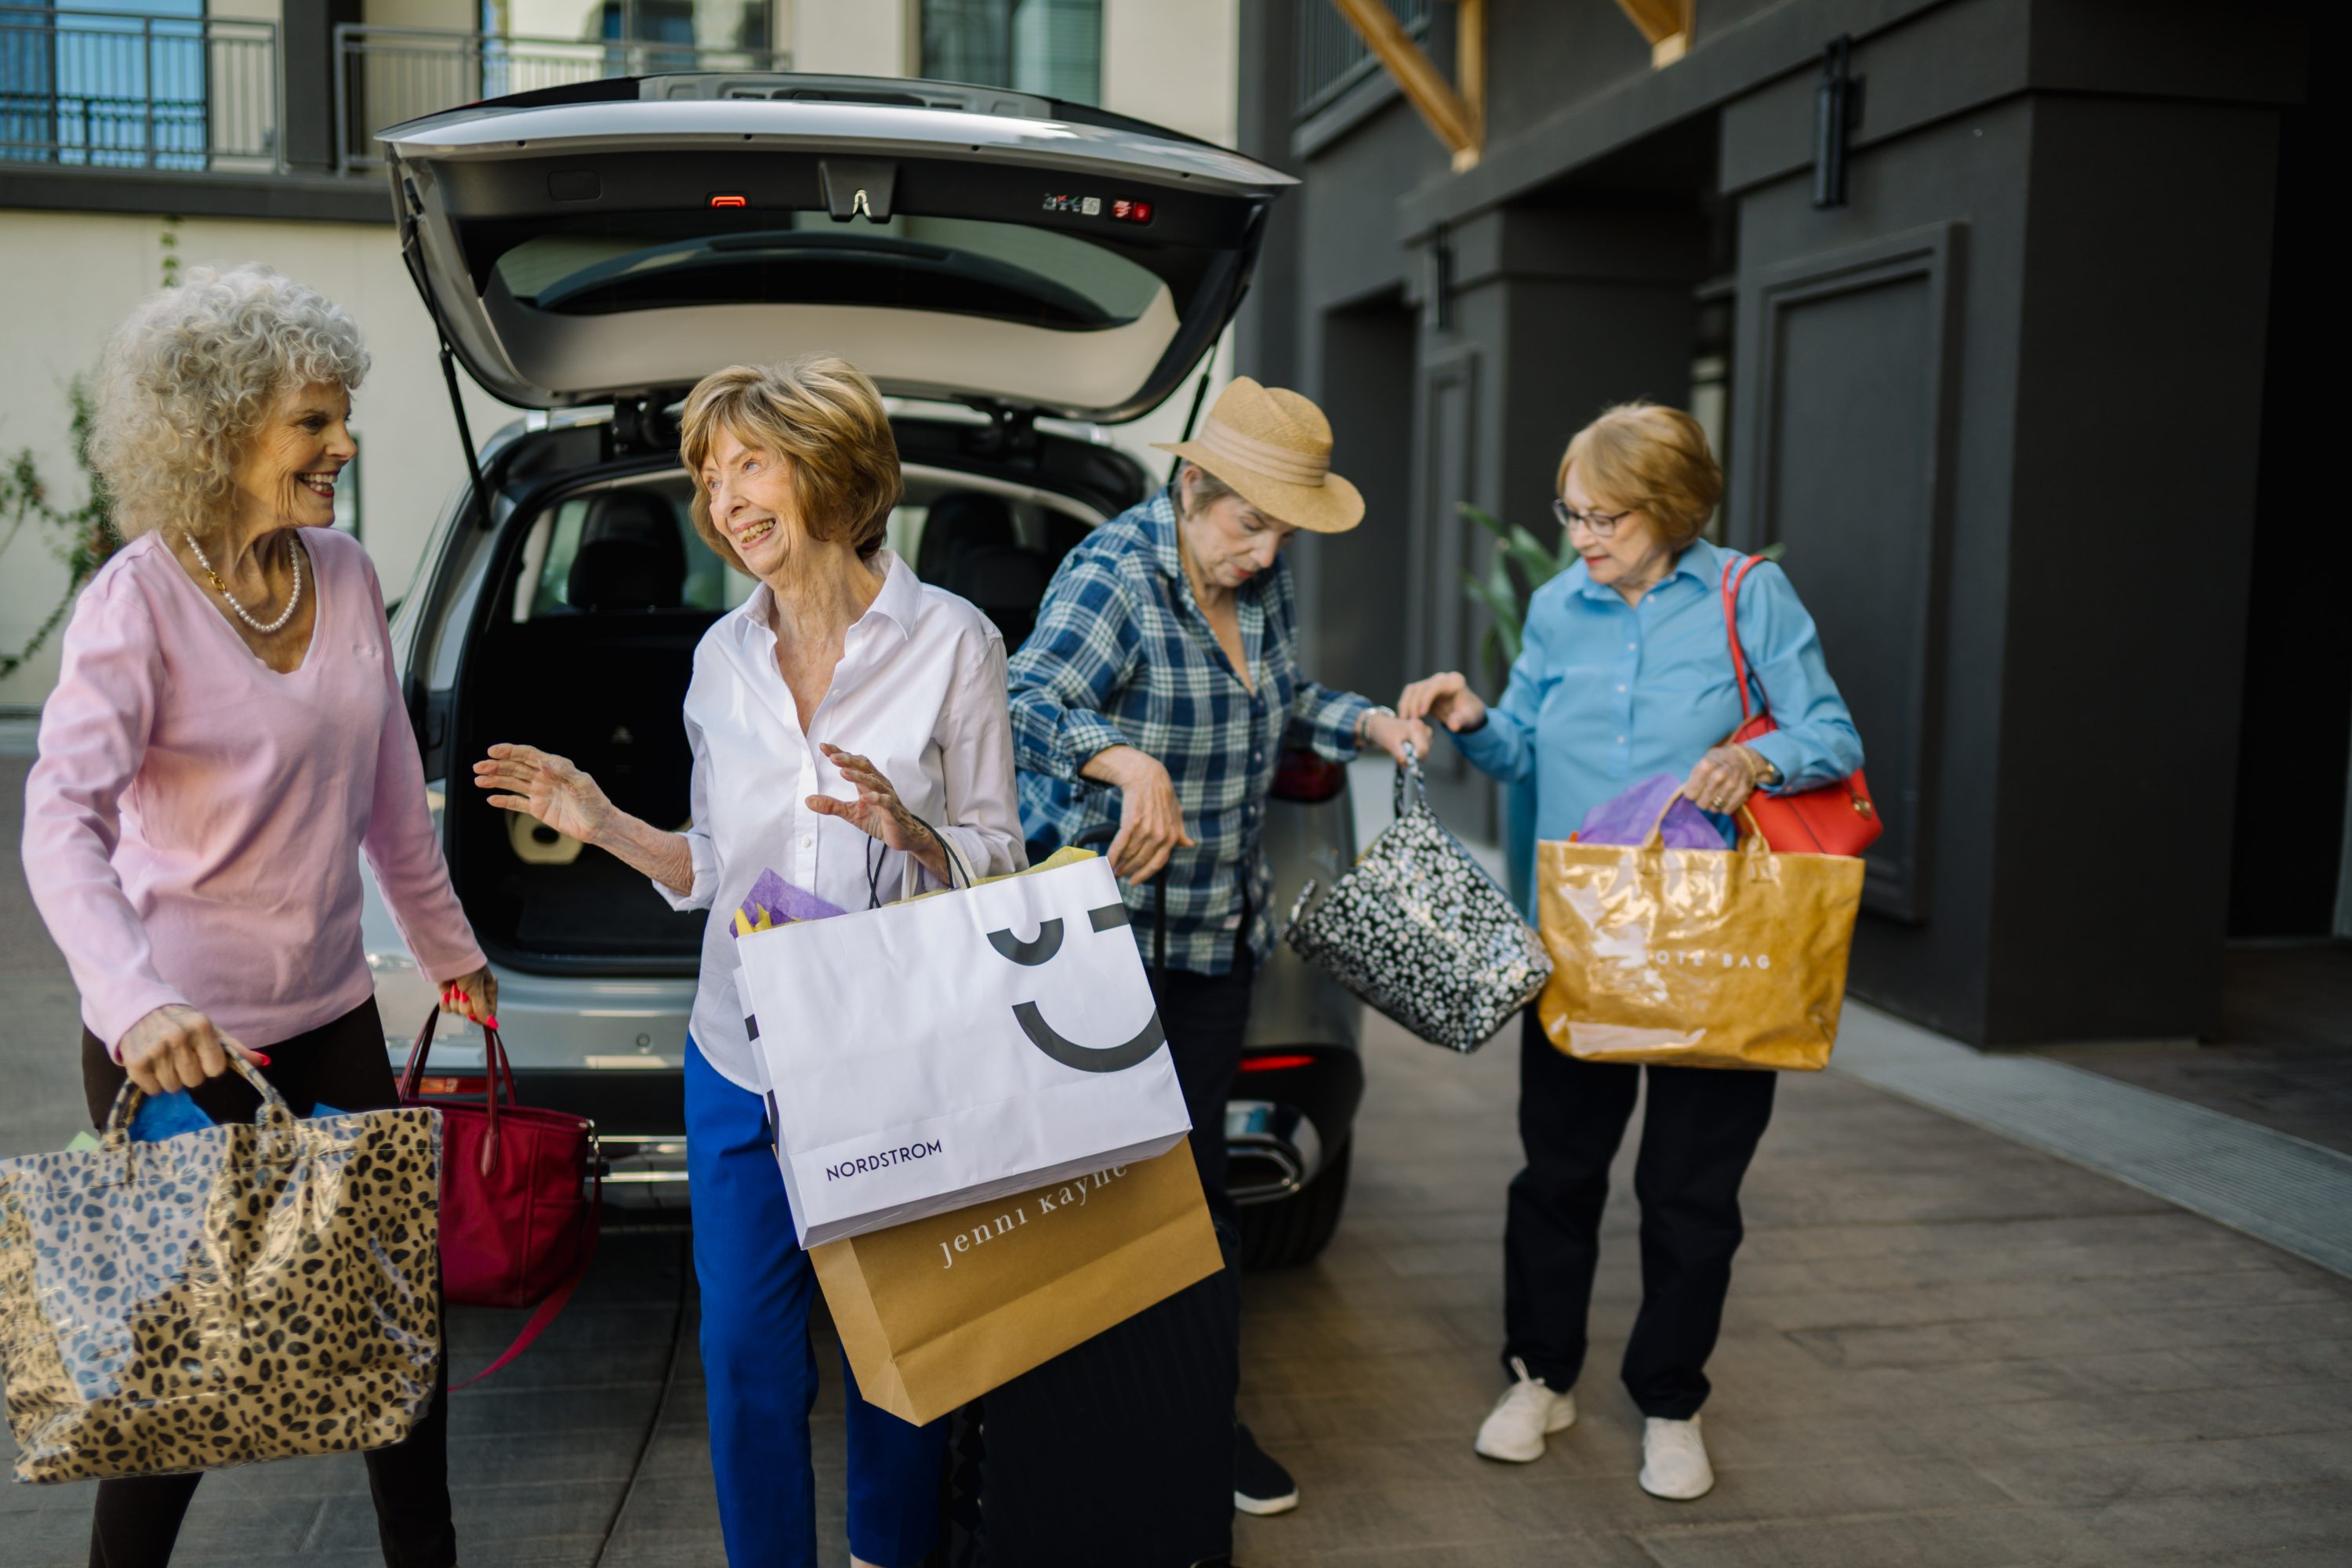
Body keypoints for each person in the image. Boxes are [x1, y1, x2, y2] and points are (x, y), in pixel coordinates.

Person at [473, 358, 1023, 1568]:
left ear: (829, 467)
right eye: (709, 477)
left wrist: (915, 834)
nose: (722, 501)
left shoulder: (952, 641)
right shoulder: (720, 658)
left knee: (900, 1353)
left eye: (748, 465)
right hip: (742, 1055)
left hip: (895, 1057)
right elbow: (716, 862)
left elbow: (1001, 857)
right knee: (747, 1364)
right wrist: (603, 820)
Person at [20, 263, 494, 1568]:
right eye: (312, 423)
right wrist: (134, 1004)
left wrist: (453, 956)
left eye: (343, 419)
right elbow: (60, 823)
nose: (343, 445)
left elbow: (393, 796)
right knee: (180, 1389)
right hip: (180, 1044)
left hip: (333, 1022)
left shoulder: (343, 575)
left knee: (397, 1355)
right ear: (222, 432)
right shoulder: (138, 603)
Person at [1398, 401, 1864, 1500]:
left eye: (1606, 515)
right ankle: (1540, 1375)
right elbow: (1524, 751)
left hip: (1718, 940)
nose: (1582, 536)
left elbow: (1830, 734)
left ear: (1672, 508)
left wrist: (1755, 765)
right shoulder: (1558, 608)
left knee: (1689, 1193)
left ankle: (1670, 1400)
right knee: (1556, 1173)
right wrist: (1472, 715)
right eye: (1570, 513)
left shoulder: (1750, 594)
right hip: (1582, 938)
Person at [1007, 376, 1432, 1521]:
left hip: (1216, 941)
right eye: (1250, 523)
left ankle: (1195, 1418)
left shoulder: (1259, 578)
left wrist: (1369, 724)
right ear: (1193, 486)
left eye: (1284, 529)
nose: (1266, 550)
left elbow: (1283, 698)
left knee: (1196, 1197)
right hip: (1105, 955)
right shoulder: (1114, 573)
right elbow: (1025, 701)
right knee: (1104, 1204)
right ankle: (1094, 1438)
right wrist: (1124, 760)